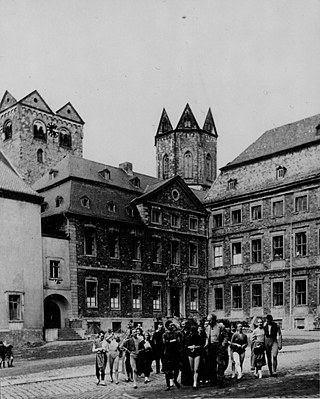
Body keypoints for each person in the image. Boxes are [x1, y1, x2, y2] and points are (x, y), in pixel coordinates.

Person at [204, 314, 229, 387]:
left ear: (214, 319)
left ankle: (220, 380)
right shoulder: (207, 327)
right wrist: (206, 345)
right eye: (207, 320)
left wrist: (223, 345)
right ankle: (213, 381)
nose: (208, 322)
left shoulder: (220, 326)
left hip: (219, 347)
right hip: (210, 347)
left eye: (210, 320)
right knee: (211, 365)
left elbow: (226, 336)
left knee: (220, 363)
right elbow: (207, 337)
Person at [162, 320, 181, 391]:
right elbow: (165, 342)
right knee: (168, 370)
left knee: (176, 368)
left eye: (172, 325)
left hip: (175, 353)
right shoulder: (165, 334)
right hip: (168, 353)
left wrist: (171, 341)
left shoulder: (176, 333)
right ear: (167, 326)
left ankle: (175, 380)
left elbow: (178, 341)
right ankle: (168, 384)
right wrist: (173, 341)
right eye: (170, 325)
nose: (172, 326)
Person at [185, 325, 204, 389]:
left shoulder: (198, 337)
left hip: (197, 353)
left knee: (196, 369)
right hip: (190, 353)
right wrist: (190, 347)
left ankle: (195, 382)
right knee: (192, 369)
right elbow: (186, 345)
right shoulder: (187, 337)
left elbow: (201, 345)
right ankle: (194, 380)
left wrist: (195, 347)